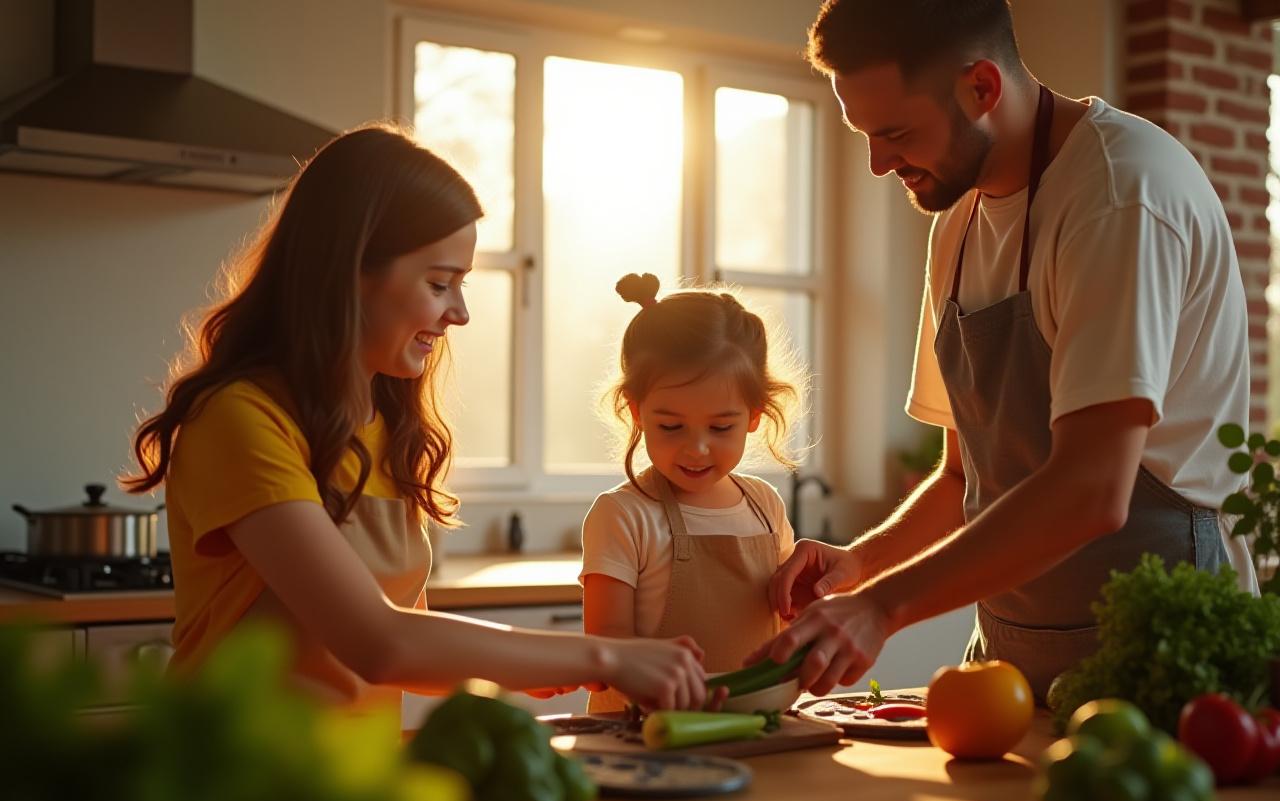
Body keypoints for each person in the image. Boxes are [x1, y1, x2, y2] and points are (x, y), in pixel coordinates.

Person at [750, 0, 1254, 702]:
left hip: (1162, 656)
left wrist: (882, 608)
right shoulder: (957, 221)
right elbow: (967, 479)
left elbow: (1091, 490)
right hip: (1015, 655)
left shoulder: (1117, 193)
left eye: (895, 132)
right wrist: (859, 565)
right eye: (864, 134)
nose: (876, 163)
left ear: (981, 88)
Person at [121, 125, 710, 712]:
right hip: (238, 789)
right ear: (349, 272)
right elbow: (378, 643)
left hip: (359, 789)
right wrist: (604, 655)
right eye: (439, 283)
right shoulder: (240, 420)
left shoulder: (384, 427)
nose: (459, 313)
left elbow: (412, 642)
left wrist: (519, 666)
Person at [580, 274, 801, 711]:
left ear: (754, 416)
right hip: (642, 739)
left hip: (752, 726)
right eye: (671, 426)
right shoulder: (623, 515)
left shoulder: (765, 506)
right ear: (635, 409)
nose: (697, 448)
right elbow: (606, 650)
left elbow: (786, 620)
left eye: (721, 427)